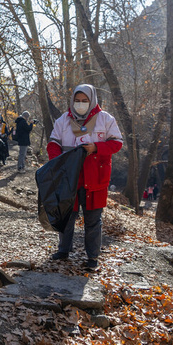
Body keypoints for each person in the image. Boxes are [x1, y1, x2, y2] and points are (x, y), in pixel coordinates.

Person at [46, 84, 123, 271]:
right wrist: (60, 162)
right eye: (77, 101)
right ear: (72, 101)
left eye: (84, 101)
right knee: (66, 216)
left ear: (92, 101)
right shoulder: (63, 120)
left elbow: (116, 143)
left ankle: (93, 257)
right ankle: (63, 250)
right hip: (69, 179)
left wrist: (96, 147)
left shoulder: (105, 120)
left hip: (95, 178)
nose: (80, 104)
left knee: (93, 220)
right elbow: (53, 144)